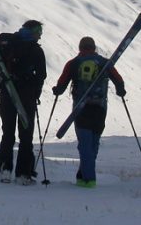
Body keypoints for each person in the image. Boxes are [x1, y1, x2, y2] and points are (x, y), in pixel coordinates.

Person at [51, 36, 126, 188]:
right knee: (93, 144)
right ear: (94, 47)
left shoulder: (73, 63)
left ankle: (89, 180)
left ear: (80, 48)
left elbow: (62, 84)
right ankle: (82, 175)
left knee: (84, 143)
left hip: (81, 108)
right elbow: (119, 80)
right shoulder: (105, 63)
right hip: (100, 108)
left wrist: (57, 90)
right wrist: (121, 91)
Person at [0, 20, 46, 184]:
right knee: (26, 135)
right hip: (26, 95)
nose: (40, 35)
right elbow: (41, 75)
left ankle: (5, 169)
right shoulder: (36, 50)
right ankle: (23, 173)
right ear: (32, 31)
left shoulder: (8, 44)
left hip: (7, 93)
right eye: (38, 31)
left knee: (7, 132)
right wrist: (35, 93)